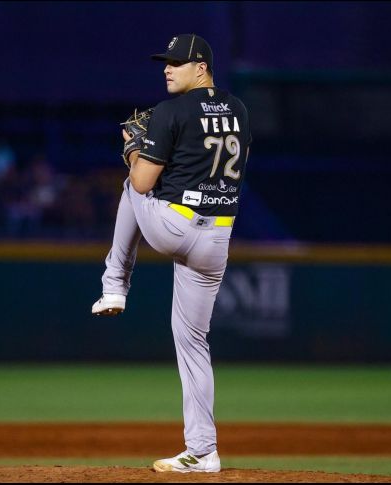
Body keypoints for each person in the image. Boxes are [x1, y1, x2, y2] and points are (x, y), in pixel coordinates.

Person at [91, 34, 252, 474]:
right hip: (217, 238)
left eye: (178, 62)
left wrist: (131, 148)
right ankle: (203, 451)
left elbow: (143, 183)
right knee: (194, 342)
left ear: (201, 67)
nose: (167, 68)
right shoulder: (237, 108)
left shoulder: (170, 111)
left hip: (175, 228)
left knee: (130, 185)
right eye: (166, 62)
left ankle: (114, 286)